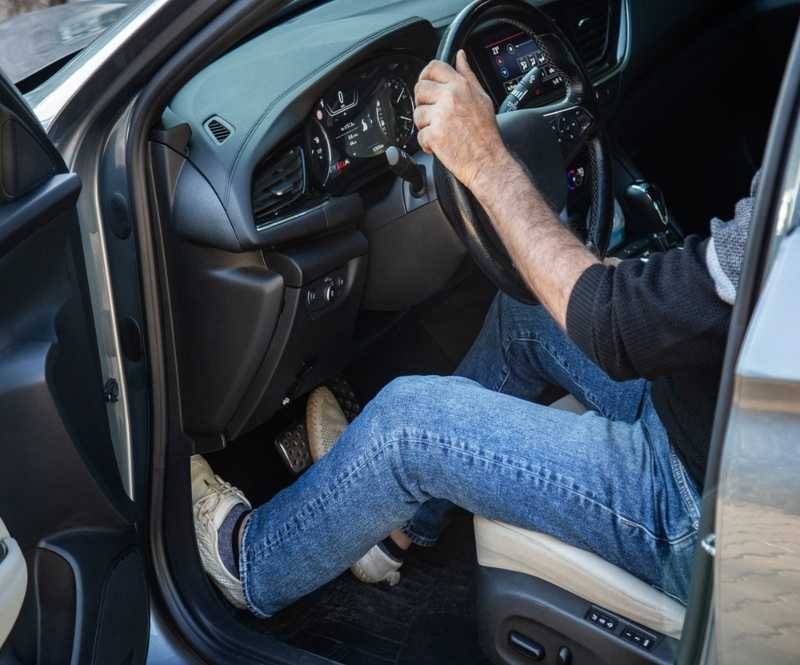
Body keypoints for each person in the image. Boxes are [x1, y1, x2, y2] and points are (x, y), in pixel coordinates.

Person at [191, 51, 756, 618]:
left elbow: (614, 326)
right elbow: (727, 294)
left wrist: (485, 160)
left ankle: (251, 561)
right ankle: (399, 532)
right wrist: (626, 291)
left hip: (702, 508)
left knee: (405, 428)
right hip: (723, 422)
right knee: (527, 313)